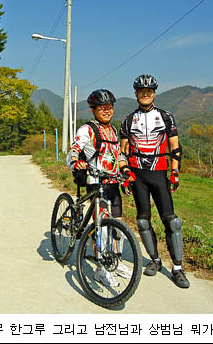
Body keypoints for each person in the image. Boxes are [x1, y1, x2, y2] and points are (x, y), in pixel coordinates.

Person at [119, 75, 190, 289]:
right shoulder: (128, 120)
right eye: (141, 91)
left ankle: (177, 268)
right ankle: (155, 260)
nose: (145, 94)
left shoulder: (166, 117)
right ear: (136, 93)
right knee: (143, 221)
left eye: (149, 91)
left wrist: (175, 172)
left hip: (159, 173)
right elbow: (123, 152)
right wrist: (125, 175)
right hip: (137, 175)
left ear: (154, 93)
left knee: (171, 221)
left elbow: (175, 147)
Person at [66, 89, 135, 288]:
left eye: (109, 107)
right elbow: (75, 149)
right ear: (93, 109)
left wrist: (125, 169)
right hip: (95, 182)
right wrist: (75, 162)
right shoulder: (87, 130)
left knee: (117, 224)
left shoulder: (113, 131)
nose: (106, 111)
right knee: (102, 226)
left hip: (112, 182)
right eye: (102, 108)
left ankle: (115, 261)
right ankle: (101, 269)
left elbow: (118, 154)